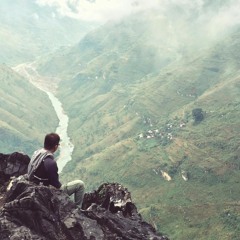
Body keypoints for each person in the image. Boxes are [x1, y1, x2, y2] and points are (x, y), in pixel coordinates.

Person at [27, 133, 85, 207]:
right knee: (80, 184)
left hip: (33, 185)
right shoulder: (50, 163)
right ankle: (78, 210)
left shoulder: (37, 153)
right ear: (56, 146)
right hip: (45, 192)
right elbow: (56, 185)